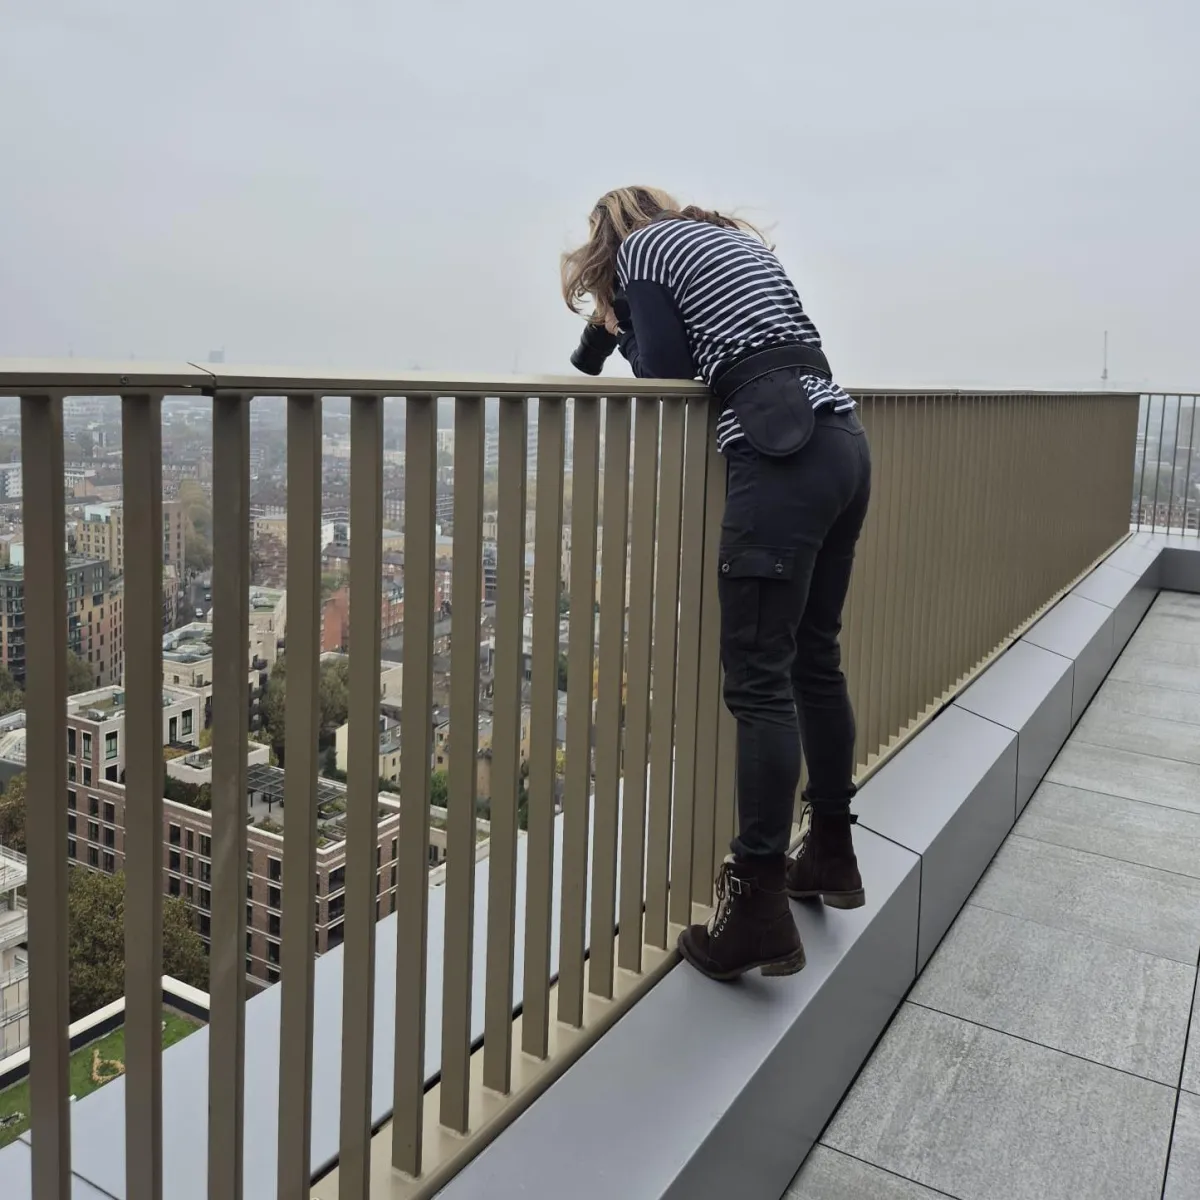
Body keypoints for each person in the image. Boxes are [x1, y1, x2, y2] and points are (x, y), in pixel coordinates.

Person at [562, 187, 872, 982]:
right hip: (839, 440)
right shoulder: (731, 247)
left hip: (777, 448)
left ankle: (758, 907)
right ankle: (830, 853)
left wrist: (619, 326)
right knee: (813, 657)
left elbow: (667, 370)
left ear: (606, 237)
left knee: (760, 680)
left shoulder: (641, 252)